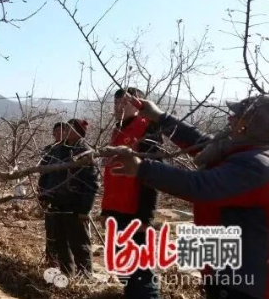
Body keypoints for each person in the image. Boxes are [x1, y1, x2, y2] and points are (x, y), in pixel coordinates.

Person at [104, 94, 269, 299]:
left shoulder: (256, 165)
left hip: (246, 281)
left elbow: (199, 186)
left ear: (248, 126)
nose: (229, 118)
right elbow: (199, 142)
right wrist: (160, 117)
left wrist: (142, 168)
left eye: (237, 116)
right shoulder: (238, 150)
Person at [100, 87, 163, 299]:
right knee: (125, 268)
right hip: (116, 211)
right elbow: (111, 177)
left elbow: (153, 176)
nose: (118, 107)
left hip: (134, 212)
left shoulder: (147, 130)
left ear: (138, 105)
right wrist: (105, 210)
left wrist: (146, 217)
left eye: (125, 103)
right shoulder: (117, 131)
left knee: (141, 273)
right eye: (116, 103)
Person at [38, 119, 98, 276]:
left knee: (80, 245)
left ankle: (85, 278)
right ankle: (67, 277)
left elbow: (92, 184)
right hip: (57, 204)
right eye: (65, 128)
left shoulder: (85, 152)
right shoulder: (57, 150)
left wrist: (85, 209)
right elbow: (46, 175)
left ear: (78, 132)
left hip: (75, 207)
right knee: (61, 244)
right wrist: (44, 195)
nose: (65, 131)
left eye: (69, 128)